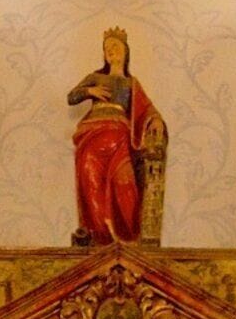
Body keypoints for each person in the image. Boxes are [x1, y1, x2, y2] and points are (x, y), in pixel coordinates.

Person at [65, 27, 170, 245]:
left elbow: (146, 108)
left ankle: (127, 238)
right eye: (107, 48)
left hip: (119, 137)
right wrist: (89, 92)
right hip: (92, 138)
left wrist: (156, 120)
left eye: (116, 46)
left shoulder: (131, 84)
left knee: (126, 188)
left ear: (126, 52)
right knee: (92, 184)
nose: (111, 50)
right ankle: (99, 238)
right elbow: (71, 97)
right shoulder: (95, 78)